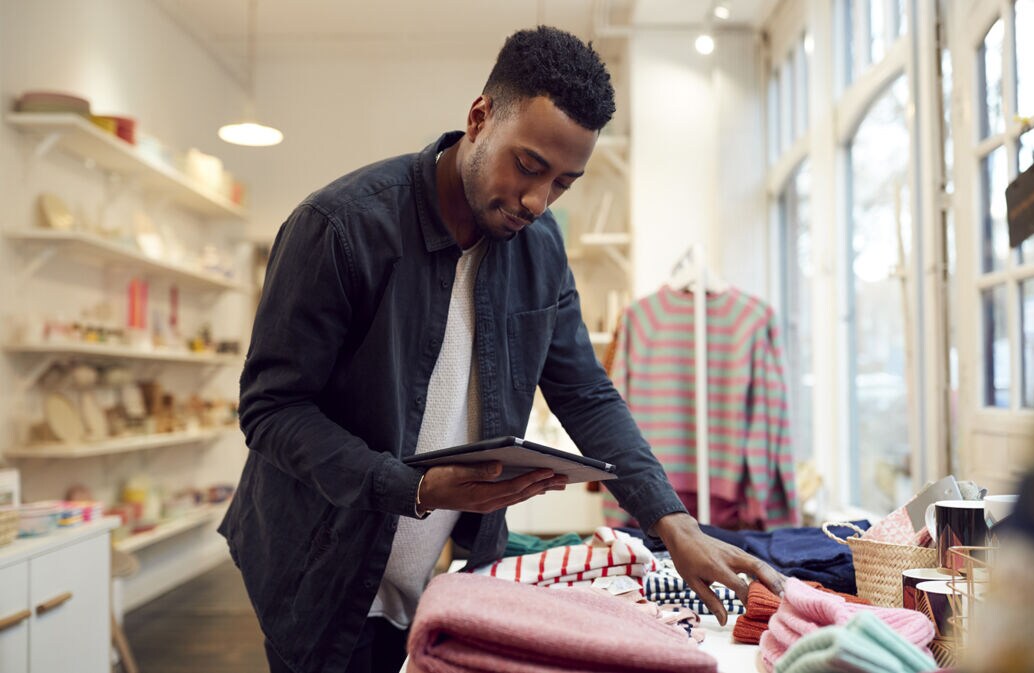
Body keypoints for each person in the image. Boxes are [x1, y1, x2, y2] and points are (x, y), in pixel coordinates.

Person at [220, 25, 786, 673]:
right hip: (319, 568)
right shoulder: (341, 227)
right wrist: (417, 487)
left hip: (449, 569)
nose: (537, 200)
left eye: (564, 183)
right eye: (528, 166)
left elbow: (586, 392)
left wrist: (672, 520)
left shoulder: (540, 250)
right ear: (480, 117)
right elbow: (272, 410)